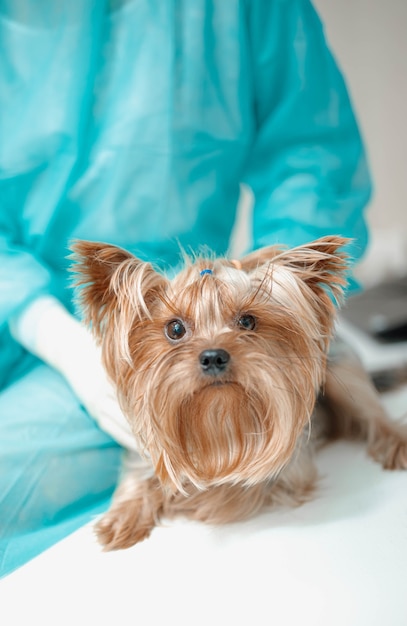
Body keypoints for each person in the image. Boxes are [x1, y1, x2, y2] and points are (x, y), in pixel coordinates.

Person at [0, 0, 372, 578]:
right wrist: (50, 328)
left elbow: (312, 158)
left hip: (141, 343)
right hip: (58, 327)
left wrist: (289, 314)